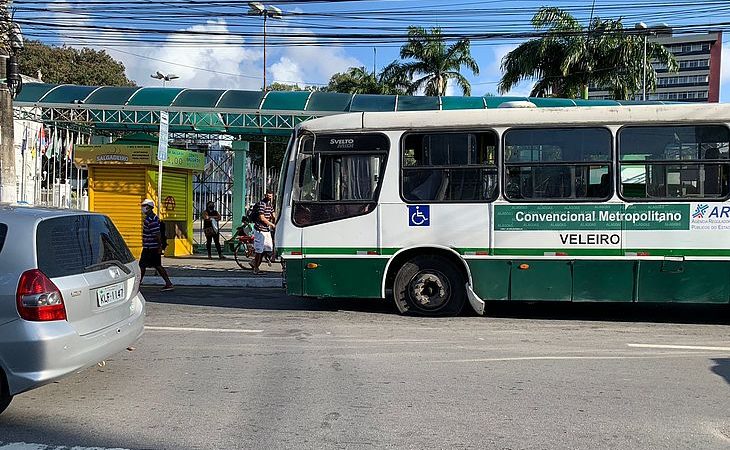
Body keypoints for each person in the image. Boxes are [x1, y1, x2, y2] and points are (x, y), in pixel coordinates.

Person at [139, 199, 174, 291]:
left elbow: (157, 234)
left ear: (150, 207)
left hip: (151, 247)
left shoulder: (151, 219)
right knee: (149, 265)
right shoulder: (152, 218)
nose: (142, 208)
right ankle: (168, 283)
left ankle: (137, 284)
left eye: (144, 206)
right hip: (149, 246)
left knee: (145, 266)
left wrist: (159, 246)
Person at [250, 190, 276, 274]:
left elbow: (273, 214)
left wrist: (276, 221)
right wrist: (271, 224)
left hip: (266, 230)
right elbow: (262, 217)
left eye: (271, 196)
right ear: (265, 195)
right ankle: (256, 268)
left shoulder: (270, 204)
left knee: (269, 248)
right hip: (259, 230)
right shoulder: (262, 204)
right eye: (268, 196)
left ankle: (254, 262)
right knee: (259, 250)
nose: (269, 197)